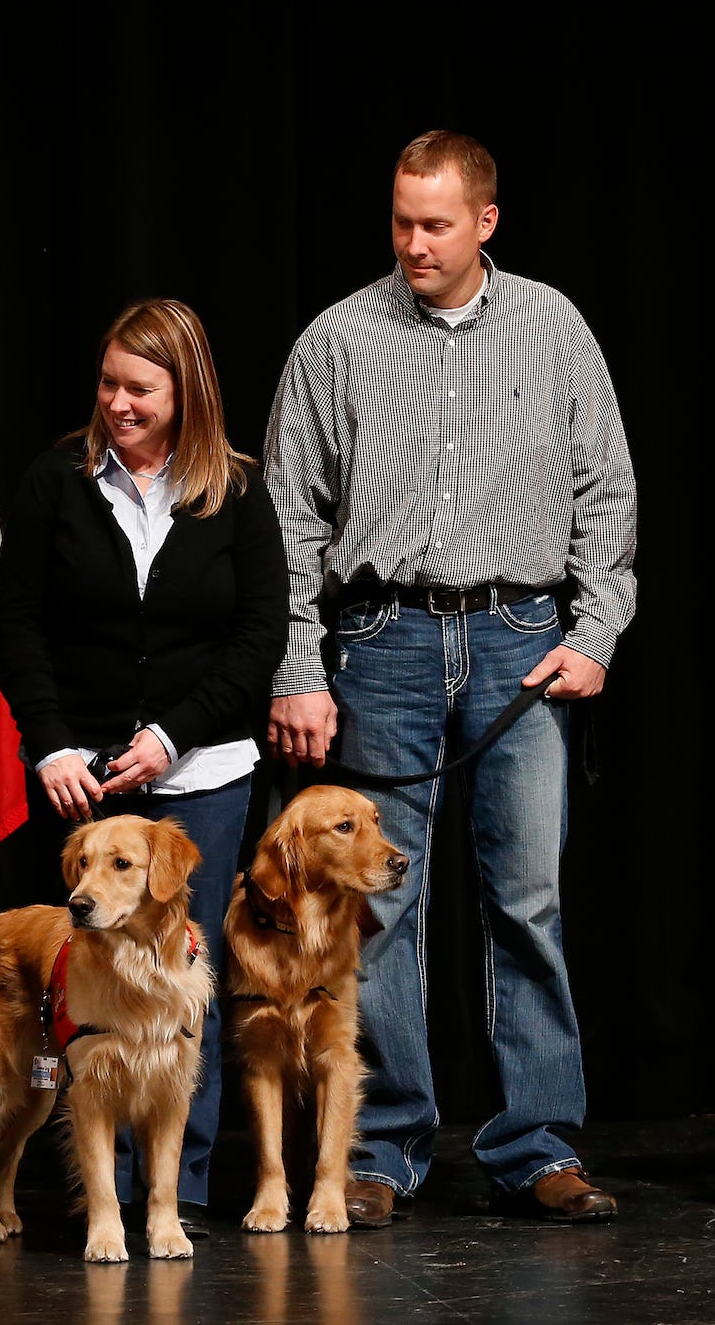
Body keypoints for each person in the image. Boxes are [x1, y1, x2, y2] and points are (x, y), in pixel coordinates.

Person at [264, 130, 636, 1227]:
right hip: (379, 640)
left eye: (433, 223)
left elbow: (604, 489)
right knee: (377, 908)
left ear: (483, 220)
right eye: (398, 220)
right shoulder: (334, 339)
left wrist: (596, 629)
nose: (412, 243)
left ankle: (536, 1145)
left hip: (521, 637)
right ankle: (378, 1151)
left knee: (526, 898)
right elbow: (286, 518)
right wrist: (297, 662)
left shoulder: (552, 326)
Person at [0, 298, 286, 1233]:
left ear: (185, 391)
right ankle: (96, 1191)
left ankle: (178, 1191)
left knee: (180, 991)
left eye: (140, 389)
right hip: (84, 781)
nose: (117, 403)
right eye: (109, 384)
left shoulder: (237, 489)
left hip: (203, 775)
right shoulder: (55, 479)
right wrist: (50, 742)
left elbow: (257, 638)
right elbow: (21, 626)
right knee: (85, 991)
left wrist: (172, 735)